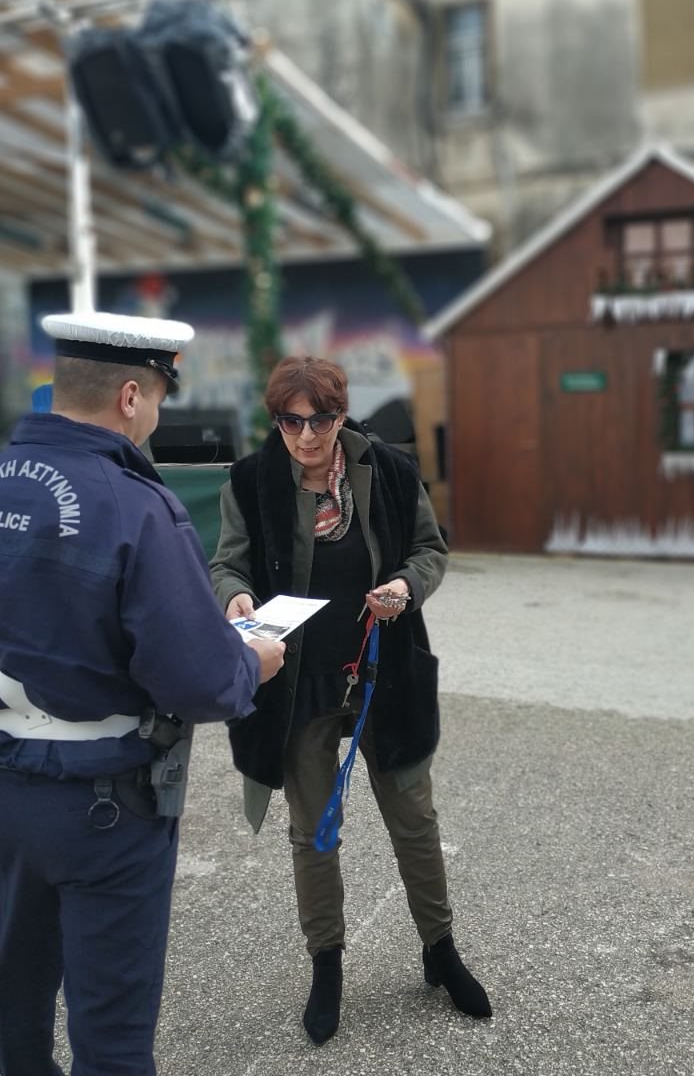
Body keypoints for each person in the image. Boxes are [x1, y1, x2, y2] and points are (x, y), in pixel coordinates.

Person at [0, 311, 285, 1076]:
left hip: (0, 795)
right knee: (112, 1031)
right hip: (109, 806)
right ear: (131, 396)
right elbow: (198, 680)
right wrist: (252, 664)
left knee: (19, 989)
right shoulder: (137, 504)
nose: (155, 415)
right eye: (158, 397)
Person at [210, 356, 491, 1046]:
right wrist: (235, 596)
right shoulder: (249, 480)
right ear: (277, 420)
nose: (306, 436)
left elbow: (430, 549)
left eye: (321, 420)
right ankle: (327, 965)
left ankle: (440, 949)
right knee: (313, 831)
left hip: (383, 674)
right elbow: (227, 563)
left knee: (414, 819)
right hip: (297, 686)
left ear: (341, 414)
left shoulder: (389, 470)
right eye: (291, 422)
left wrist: (405, 587)